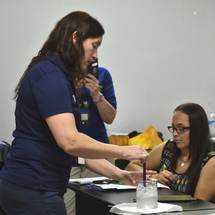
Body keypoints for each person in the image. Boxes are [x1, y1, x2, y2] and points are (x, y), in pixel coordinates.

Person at [0, 11, 154, 215]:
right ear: (75, 38)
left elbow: (76, 149)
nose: (95, 55)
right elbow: (70, 142)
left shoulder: (54, 73)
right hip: (33, 186)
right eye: (94, 46)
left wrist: (120, 174)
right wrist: (124, 151)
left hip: (32, 185)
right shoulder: (51, 77)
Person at [125, 102, 215, 202]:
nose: (175, 134)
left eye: (181, 129)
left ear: (197, 130)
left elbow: (199, 205)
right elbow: (131, 167)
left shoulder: (210, 161)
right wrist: (153, 177)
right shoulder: (168, 148)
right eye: (173, 128)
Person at [64, 66, 117, 215]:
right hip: (67, 151)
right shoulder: (59, 74)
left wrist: (96, 94)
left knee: (98, 207)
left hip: (97, 148)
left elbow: (110, 118)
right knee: (65, 207)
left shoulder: (102, 74)